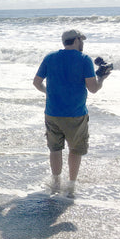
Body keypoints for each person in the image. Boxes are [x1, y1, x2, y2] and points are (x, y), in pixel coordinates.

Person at [33, 29, 109, 197]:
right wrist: (102, 79)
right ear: (76, 41)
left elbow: (36, 82)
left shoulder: (50, 57)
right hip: (75, 114)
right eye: (81, 40)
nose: (82, 43)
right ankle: (71, 186)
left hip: (52, 112)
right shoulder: (84, 60)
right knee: (75, 150)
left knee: (55, 149)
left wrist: (48, 93)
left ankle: (55, 183)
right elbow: (93, 89)